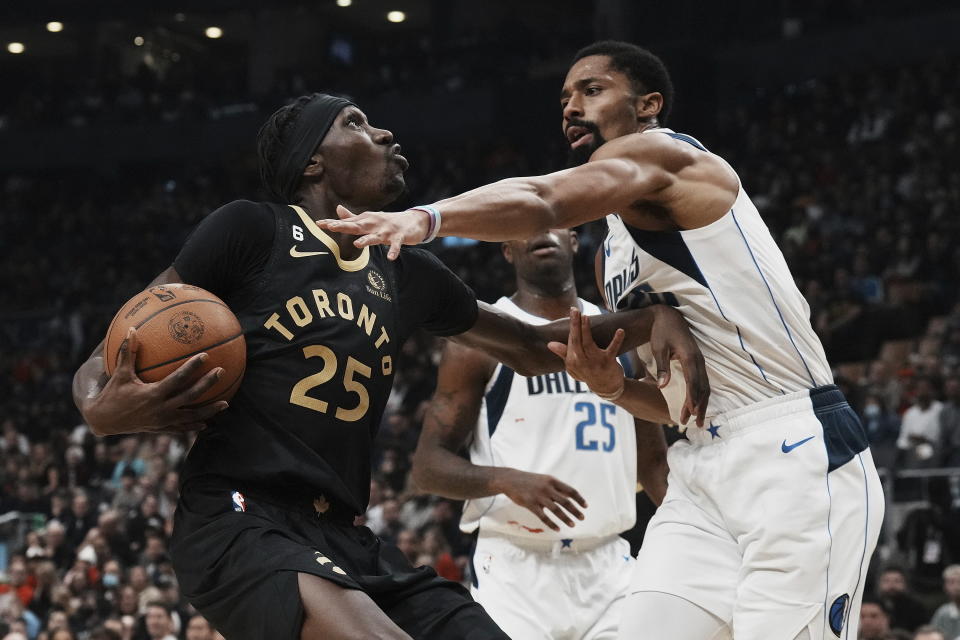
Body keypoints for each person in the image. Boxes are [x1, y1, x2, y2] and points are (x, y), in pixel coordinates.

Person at [72, 92, 706, 640]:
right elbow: (114, 349)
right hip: (237, 516)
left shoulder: (407, 269)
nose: (383, 133)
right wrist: (99, 405)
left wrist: (651, 321)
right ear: (311, 162)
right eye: (354, 122)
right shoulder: (250, 231)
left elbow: (527, 345)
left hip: (345, 534)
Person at [322, 40, 886, 640]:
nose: (570, 107)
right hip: (700, 466)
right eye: (564, 97)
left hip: (792, 446)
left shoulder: (673, 159)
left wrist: (425, 219)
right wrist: (617, 387)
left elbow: (543, 198)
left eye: (591, 90)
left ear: (649, 105)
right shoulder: (611, 254)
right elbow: (674, 400)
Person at [412, 227, 669, 639]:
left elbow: (654, 462)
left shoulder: (620, 335)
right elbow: (427, 467)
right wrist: (504, 480)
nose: (539, 232)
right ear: (507, 249)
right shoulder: (479, 343)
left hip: (608, 563)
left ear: (572, 239)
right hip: (515, 565)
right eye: (521, 225)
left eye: (550, 221)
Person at [930, 565, 960, 640]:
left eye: (959, 581)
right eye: (951, 582)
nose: (957, 587)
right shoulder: (942, 612)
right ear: (945, 586)